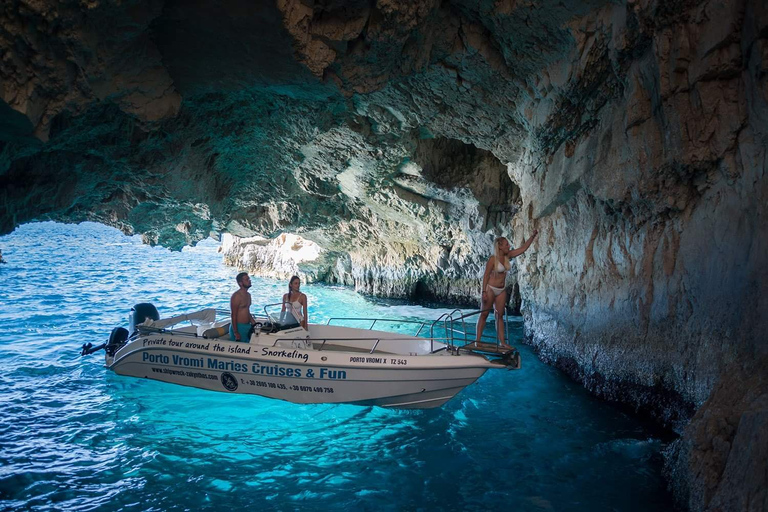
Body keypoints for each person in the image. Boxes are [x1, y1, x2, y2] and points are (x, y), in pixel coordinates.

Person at [475, 229, 539, 348]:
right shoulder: (492, 259)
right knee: (484, 314)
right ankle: (477, 341)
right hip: (490, 289)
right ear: (499, 247)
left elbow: (523, 248)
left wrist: (533, 236)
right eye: (506, 244)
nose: (509, 246)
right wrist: (483, 291)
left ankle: (502, 343)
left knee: (499, 316)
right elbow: (485, 276)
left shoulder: (508, 256)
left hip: (501, 290)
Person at [230, 272, 256, 342]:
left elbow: (247, 311)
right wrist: (236, 332)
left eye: (249, 279)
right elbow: (233, 315)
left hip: (247, 326)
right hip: (239, 327)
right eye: (247, 279)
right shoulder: (236, 296)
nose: (249, 280)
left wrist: (254, 323)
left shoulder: (248, 295)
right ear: (240, 283)